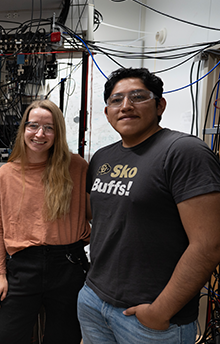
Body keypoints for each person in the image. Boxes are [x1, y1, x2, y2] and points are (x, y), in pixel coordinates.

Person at [77, 67, 220, 344]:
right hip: (95, 301)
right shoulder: (102, 157)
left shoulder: (183, 152)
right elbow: (100, 215)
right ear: (107, 113)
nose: (126, 106)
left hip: (149, 318)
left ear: (159, 105)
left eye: (138, 97)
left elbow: (209, 244)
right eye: (116, 100)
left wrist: (159, 311)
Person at [0, 99, 91, 344]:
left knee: (63, 338)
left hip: (68, 265)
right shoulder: (6, 174)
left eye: (49, 128)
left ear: (58, 132)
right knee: (2, 338)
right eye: (33, 126)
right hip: (23, 267)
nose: (40, 134)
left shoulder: (76, 166)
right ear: (24, 128)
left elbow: (95, 213)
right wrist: (0, 274)